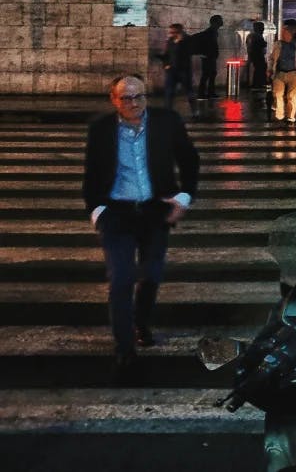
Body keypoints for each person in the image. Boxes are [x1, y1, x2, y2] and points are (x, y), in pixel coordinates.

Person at [84, 75, 199, 382]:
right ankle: (124, 349)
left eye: (139, 97)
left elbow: (189, 160)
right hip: (117, 214)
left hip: (154, 210)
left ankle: (141, 322)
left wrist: (183, 198)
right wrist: (98, 212)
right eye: (126, 98)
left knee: (151, 275)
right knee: (121, 279)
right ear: (113, 99)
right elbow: (92, 174)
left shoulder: (166, 122)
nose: (133, 104)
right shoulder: (101, 129)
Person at [268, 24, 296, 124]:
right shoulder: (277, 45)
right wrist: (270, 69)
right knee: (277, 94)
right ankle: (280, 115)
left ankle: (290, 116)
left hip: (293, 73)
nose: (282, 35)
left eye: (285, 33)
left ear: (290, 34)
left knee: (292, 96)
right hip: (279, 73)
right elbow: (272, 58)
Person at [159, 23, 197, 117]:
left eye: (172, 32)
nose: (170, 34)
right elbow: (166, 54)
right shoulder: (170, 40)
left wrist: (180, 42)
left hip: (184, 71)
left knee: (189, 91)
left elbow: (189, 52)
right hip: (171, 71)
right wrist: (166, 65)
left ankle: (195, 111)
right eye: (170, 32)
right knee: (169, 92)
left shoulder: (188, 40)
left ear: (178, 32)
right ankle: (167, 112)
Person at [193, 14, 223, 99]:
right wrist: (202, 53)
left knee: (212, 74)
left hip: (211, 56)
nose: (222, 21)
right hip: (208, 57)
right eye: (220, 20)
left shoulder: (214, 32)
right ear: (215, 22)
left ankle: (210, 92)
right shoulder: (209, 32)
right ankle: (202, 93)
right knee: (206, 75)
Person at [247, 21, 268, 91]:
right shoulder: (257, 36)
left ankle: (258, 84)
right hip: (258, 55)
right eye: (262, 28)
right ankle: (257, 84)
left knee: (259, 69)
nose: (263, 29)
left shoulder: (252, 35)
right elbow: (261, 44)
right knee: (259, 69)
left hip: (255, 55)